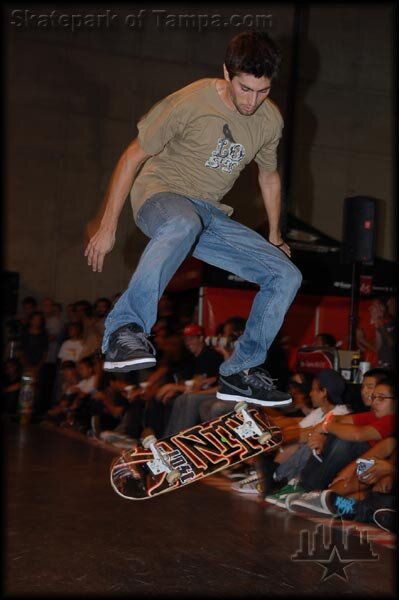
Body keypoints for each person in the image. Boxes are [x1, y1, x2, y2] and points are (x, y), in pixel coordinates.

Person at [85, 31, 302, 407]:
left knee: (286, 274)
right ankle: (124, 328)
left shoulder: (270, 121)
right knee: (183, 222)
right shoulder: (191, 101)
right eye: (245, 90)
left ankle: (240, 371)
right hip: (161, 196)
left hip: (209, 214)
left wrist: (274, 234)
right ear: (226, 73)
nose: (252, 102)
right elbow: (132, 156)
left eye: (262, 91)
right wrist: (108, 225)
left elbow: (269, 176)